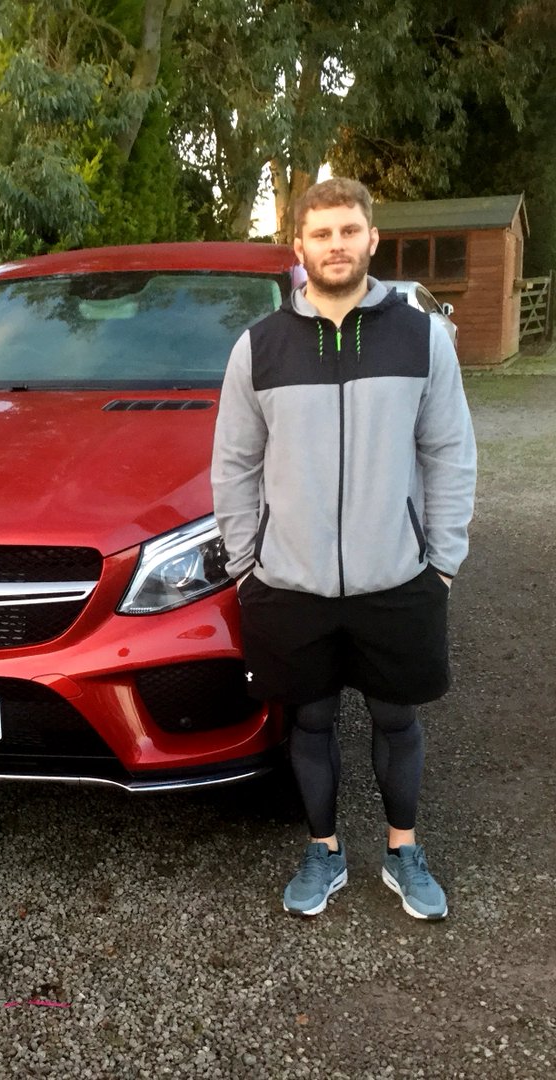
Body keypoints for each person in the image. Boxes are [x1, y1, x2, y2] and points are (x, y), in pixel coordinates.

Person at [211, 177, 477, 920]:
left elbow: (449, 451)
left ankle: (402, 850)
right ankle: (323, 851)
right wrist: (245, 564)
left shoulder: (420, 336)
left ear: (371, 239)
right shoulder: (259, 347)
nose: (336, 245)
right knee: (312, 722)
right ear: (299, 248)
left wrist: (444, 559)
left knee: (398, 720)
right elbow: (233, 463)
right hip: (288, 582)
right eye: (320, 233)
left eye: (348, 230)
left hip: (398, 575)